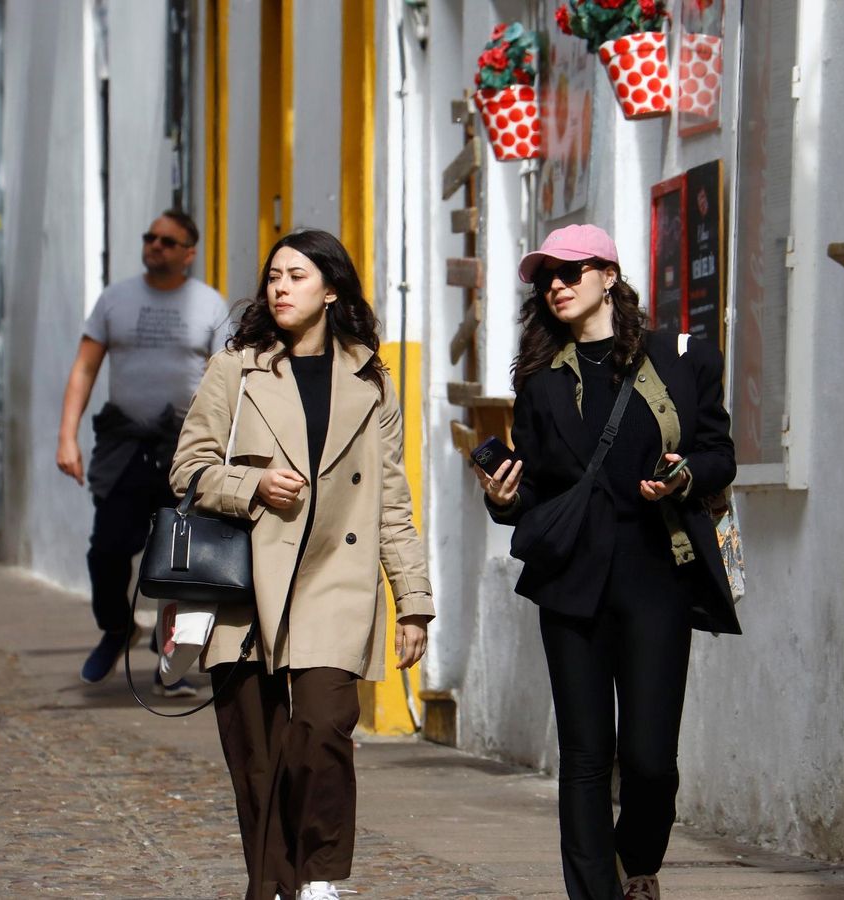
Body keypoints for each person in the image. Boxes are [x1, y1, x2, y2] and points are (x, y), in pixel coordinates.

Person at [475, 223, 740, 900]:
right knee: (586, 758)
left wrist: (683, 476)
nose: (556, 287)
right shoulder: (540, 381)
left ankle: (638, 862)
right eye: (547, 279)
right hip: (573, 582)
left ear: (609, 276)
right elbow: (536, 490)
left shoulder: (682, 359)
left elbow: (719, 452)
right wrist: (504, 497)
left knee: (650, 760)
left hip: (657, 573)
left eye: (571, 272)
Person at [170, 229, 433, 900]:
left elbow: (392, 497)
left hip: (333, 581)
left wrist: (414, 601)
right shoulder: (237, 369)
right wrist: (250, 486)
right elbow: (187, 470)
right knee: (257, 759)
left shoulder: (371, 379)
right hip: (246, 583)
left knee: (322, 728)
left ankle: (316, 876)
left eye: (297, 276)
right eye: (274, 276)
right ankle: (272, 886)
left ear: (331, 289)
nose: (281, 287)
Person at [56, 209, 230, 696]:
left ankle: (170, 663)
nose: (155, 246)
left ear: (189, 253)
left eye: (168, 241)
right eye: (149, 237)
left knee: (181, 562)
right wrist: (67, 436)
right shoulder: (116, 300)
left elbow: (227, 381)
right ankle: (117, 628)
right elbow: (85, 368)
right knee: (106, 552)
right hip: (126, 447)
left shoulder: (209, 305)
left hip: (186, 450)